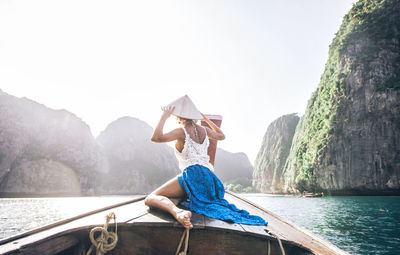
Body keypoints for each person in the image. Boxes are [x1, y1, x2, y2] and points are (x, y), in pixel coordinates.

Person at [144, 95, 267, 229]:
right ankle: (177, 202)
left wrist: (164, 116)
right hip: (209, 178)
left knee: (150, 198)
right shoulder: (204, 130)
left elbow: (156, 137)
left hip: (192, 175)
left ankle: (178, 212)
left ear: (178, 116)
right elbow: (221, 135)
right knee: (176, 198)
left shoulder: (181, 131)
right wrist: (206, 119)